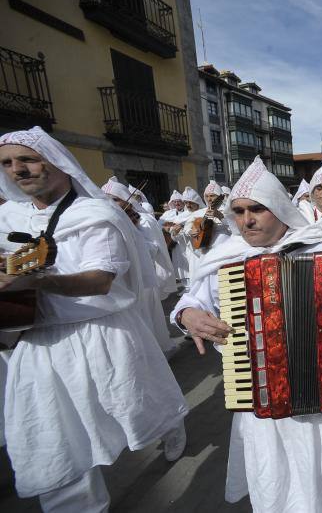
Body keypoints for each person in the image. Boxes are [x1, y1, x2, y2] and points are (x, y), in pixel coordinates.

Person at [170, 157, 322, 512]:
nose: (247, 220)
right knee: (278, 489)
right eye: (238, 211)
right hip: (262, 398)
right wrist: (188, 315)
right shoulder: (228, 258)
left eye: (257, 209)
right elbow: (187, 302)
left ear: (279, 209)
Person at [0, 127, 188, 512]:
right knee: (54, 440)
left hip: (104, 333)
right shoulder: (5, 217)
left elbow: (100, 280)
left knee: (141, 407)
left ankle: (170, 427)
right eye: (7, 163)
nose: (17, 170)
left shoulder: (95, 213)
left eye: (27, 159)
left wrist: (35, 280)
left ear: (56, 162)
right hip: (39, 341)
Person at [102, 176, 177, 355]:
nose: (109, 203)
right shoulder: (108, 220)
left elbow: (155, 249)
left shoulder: (144, 220)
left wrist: (134, 234)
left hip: (143, 280)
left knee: (148, 319)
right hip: (121, 282)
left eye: (114, 199)